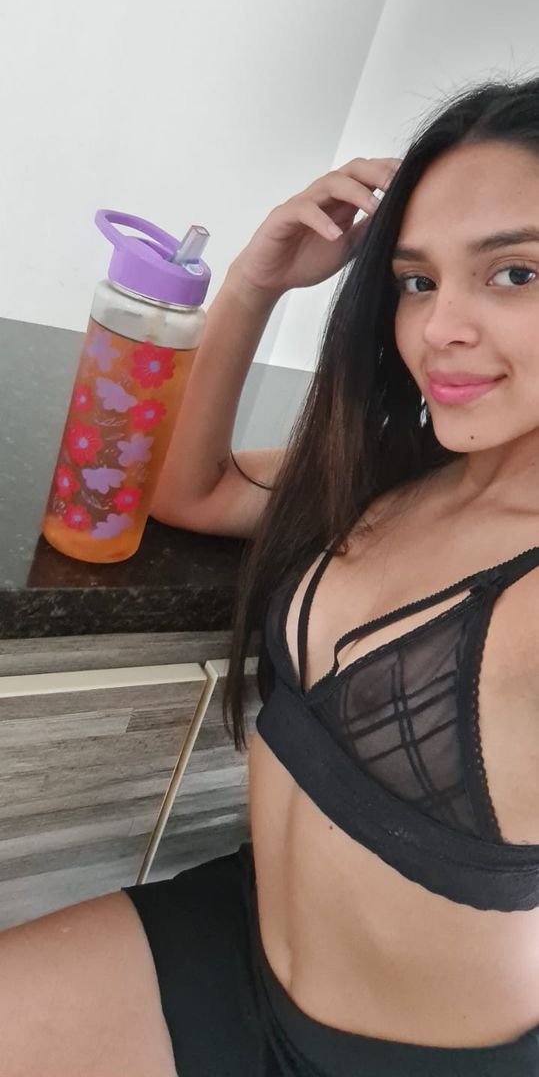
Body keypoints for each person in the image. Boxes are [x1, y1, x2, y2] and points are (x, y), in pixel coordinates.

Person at [3, 75, 539, 1077]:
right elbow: (185, 490)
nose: (438, 329)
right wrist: (256, 281)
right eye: (416, 280)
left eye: (513, 273)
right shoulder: (392, 472)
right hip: (238, 942)